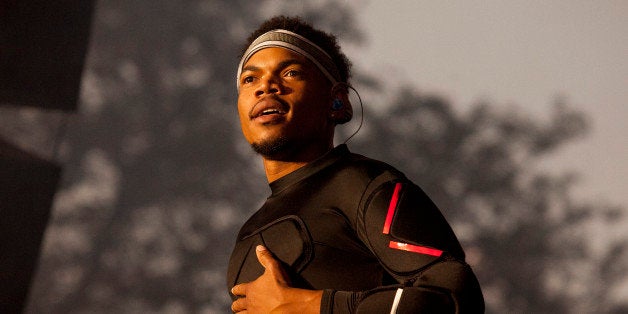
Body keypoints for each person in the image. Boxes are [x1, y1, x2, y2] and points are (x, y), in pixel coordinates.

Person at [227, 15, 484, 313]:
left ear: (337, 102)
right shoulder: (248, 233)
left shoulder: (362, 185)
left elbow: (454, 297)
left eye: (291, 72)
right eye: (250, 79)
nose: (266, 86)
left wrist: (312, 305)